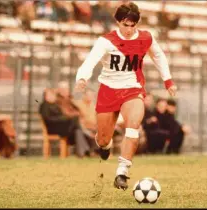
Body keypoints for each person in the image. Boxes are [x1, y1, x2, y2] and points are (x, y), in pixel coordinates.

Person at [74, 2, 177, 190]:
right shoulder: (106, 41)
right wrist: (82, 78)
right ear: (117, 22)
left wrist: (167, 80)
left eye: (132, 25)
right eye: (125, 24)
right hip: (108, 90)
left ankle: (122, 172)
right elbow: (90, 61)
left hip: (133, 88)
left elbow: (159, 56)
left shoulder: (145, 38)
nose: (129, 29)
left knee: (133, 127)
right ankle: (105, 147)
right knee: (104, 139)